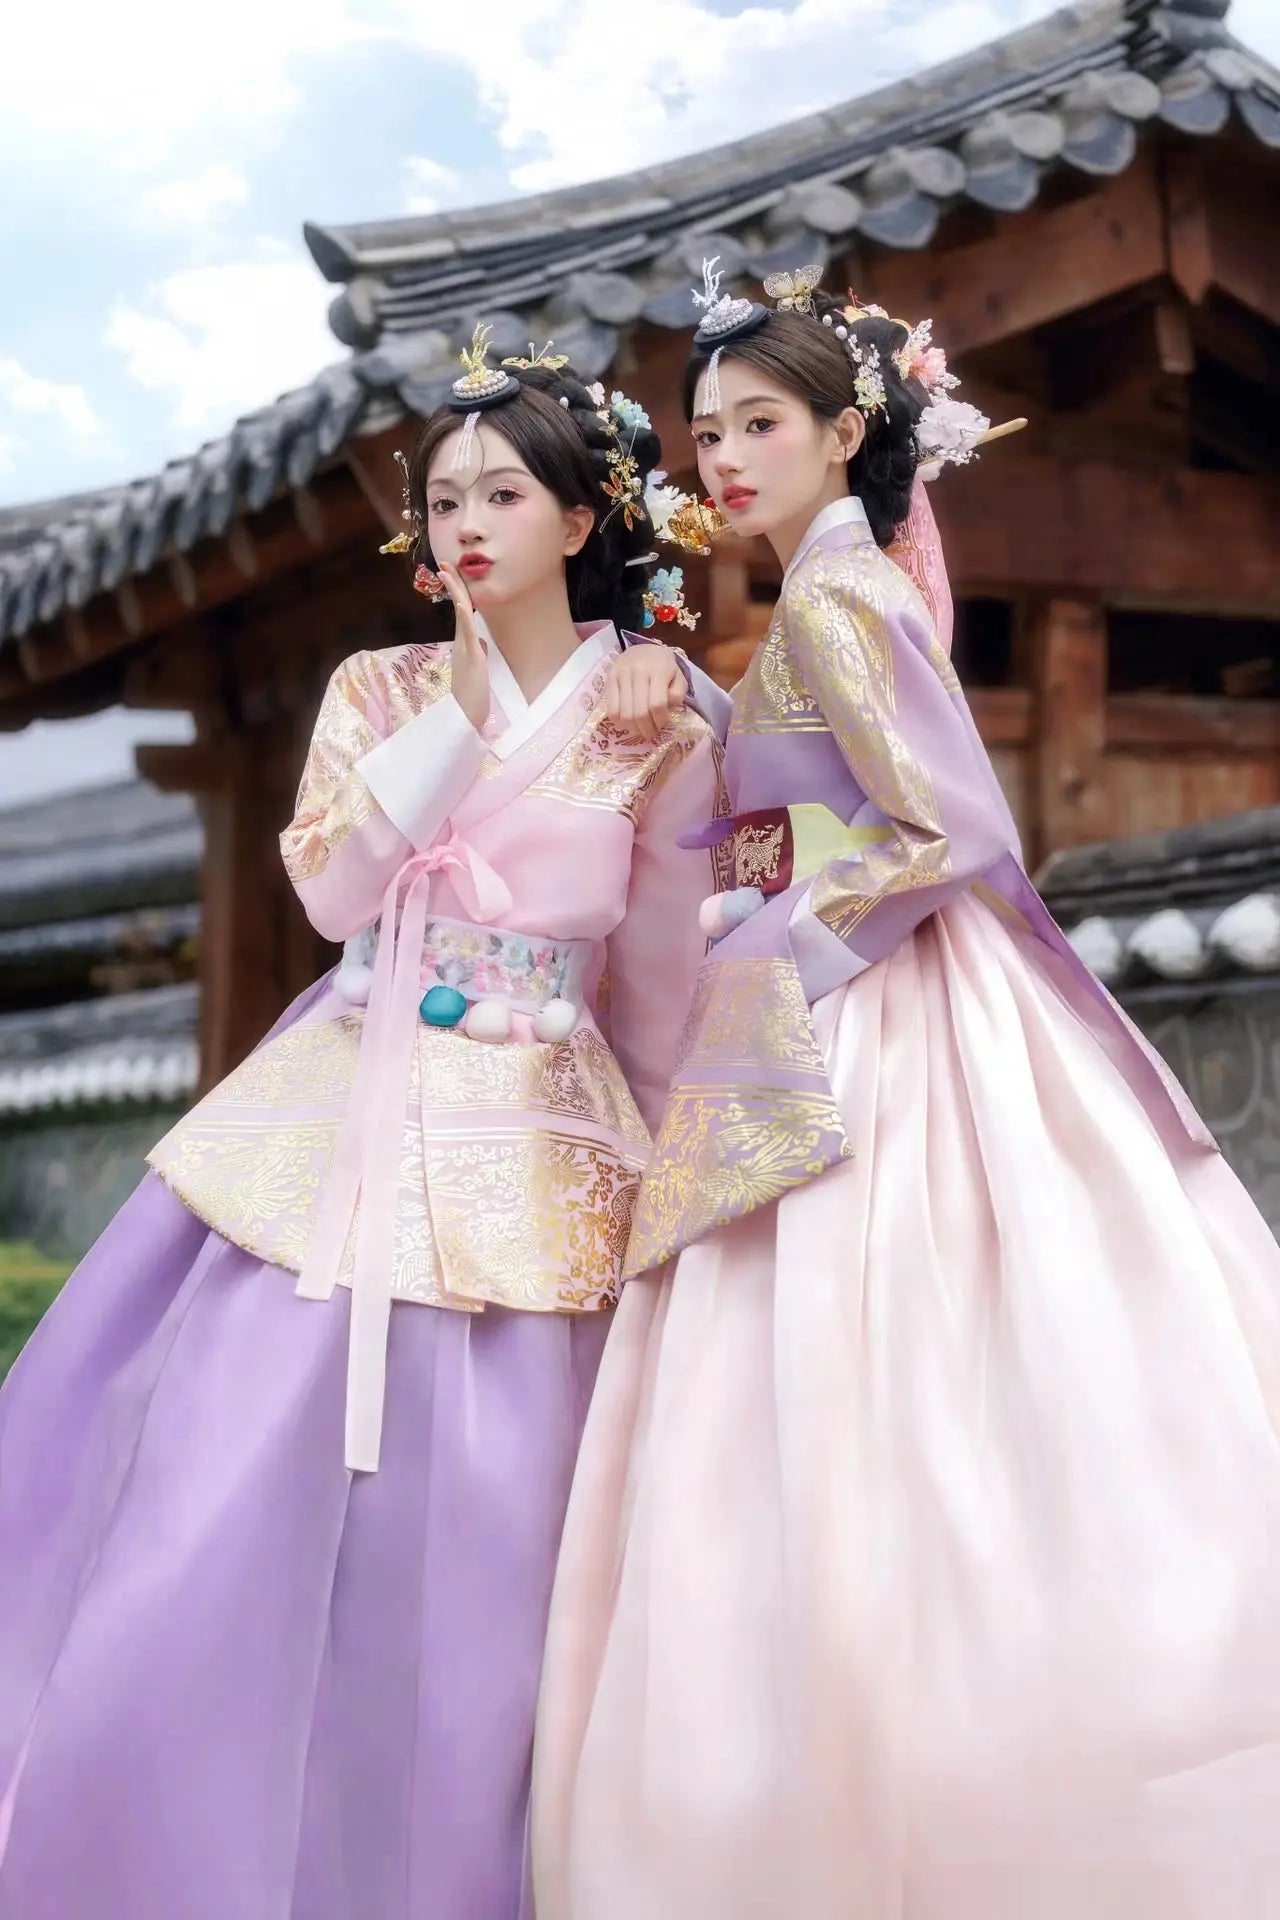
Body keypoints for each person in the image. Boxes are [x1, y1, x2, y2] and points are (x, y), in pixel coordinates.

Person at [532, 270, 1280, 1918]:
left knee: (855, 1361)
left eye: (761, 425)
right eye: (707, 429)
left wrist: (778, 941)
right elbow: (830, 794)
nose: (721, 457)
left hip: (865, 1009)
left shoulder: (838, 599)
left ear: (849, 431)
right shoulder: (829, 593)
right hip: (845, 979)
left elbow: (956, 836)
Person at [0, 329, 722, 1920]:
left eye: (505, 492)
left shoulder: (659, 714)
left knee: (511, 1565)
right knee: (224, 1506)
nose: (465, 523)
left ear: (584, 518)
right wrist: (454, 719)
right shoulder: (379, 686)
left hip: (549, 1137)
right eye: (442, 497)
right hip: (354, 1092)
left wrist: (682, 1184)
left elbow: (661, 981)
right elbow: (330, 890)